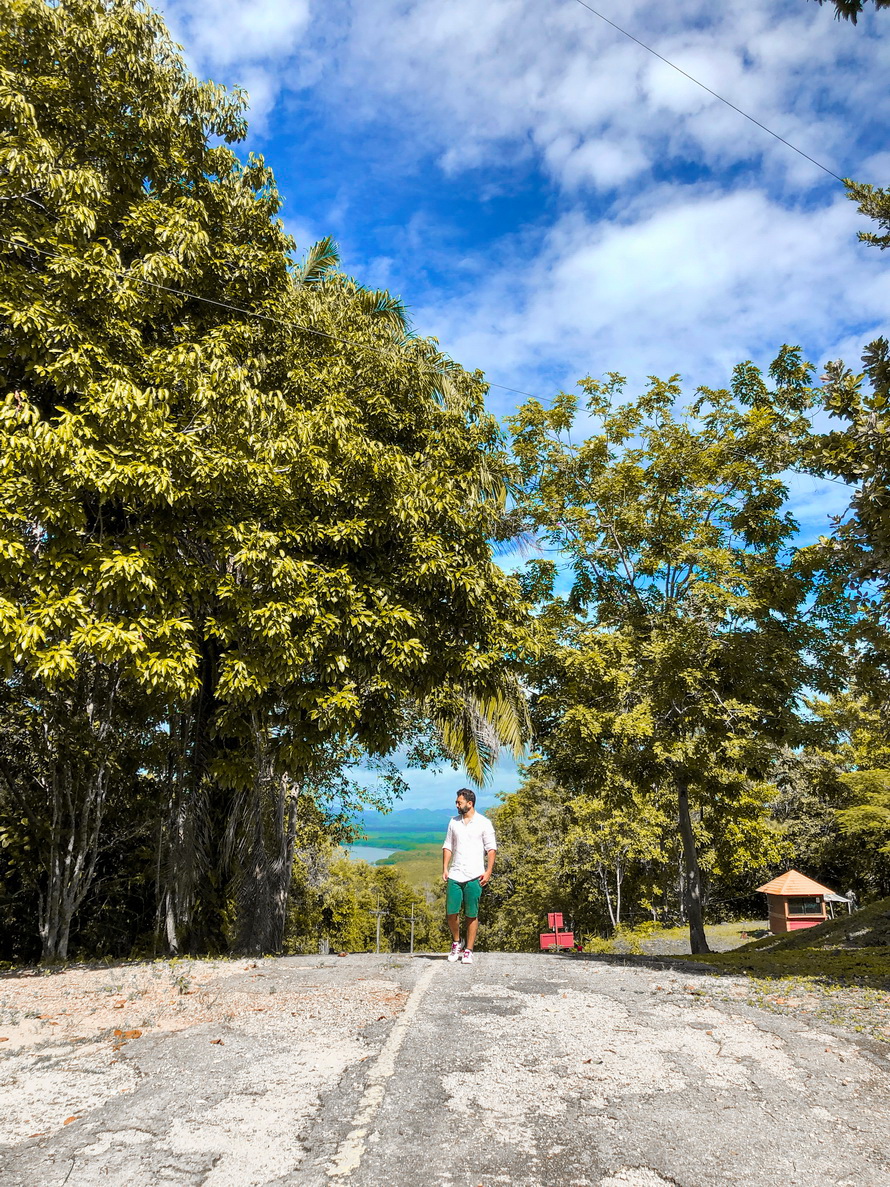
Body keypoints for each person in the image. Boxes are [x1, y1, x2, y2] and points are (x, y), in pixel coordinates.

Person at [442, 788, 496, 965]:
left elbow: (491, 849)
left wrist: (488, 871)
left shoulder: (484, 823)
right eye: (457, 802)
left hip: (475, 874)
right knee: (451, 912)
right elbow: (448, 845)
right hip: (456, 873)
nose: (457, 804)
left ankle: (469, 950)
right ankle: (456, 942)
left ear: (470, 803)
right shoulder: (453, 822)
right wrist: (445, 868)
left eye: (459, 802)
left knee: (471, 914)